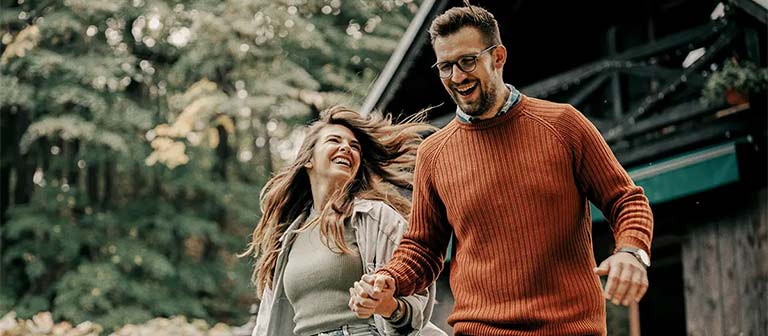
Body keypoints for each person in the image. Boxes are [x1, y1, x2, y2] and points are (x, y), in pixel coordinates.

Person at [350, 5, 654, 336]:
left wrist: (631, 252)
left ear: (498, 57)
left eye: (467, 61)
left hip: (569, 329)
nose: (457, 77)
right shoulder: (434, 153)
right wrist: (388, 278)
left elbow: (626, 200)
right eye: (445, 67)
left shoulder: (563, 124)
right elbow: (423, 248)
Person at [242, 106, 447, 336]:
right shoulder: (288, 238)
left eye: (354, 147)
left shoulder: (375, 218)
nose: (346, 148)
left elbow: (416, 303)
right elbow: (267, 322)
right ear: (308, 159)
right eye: (334, 140)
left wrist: (387, 305)